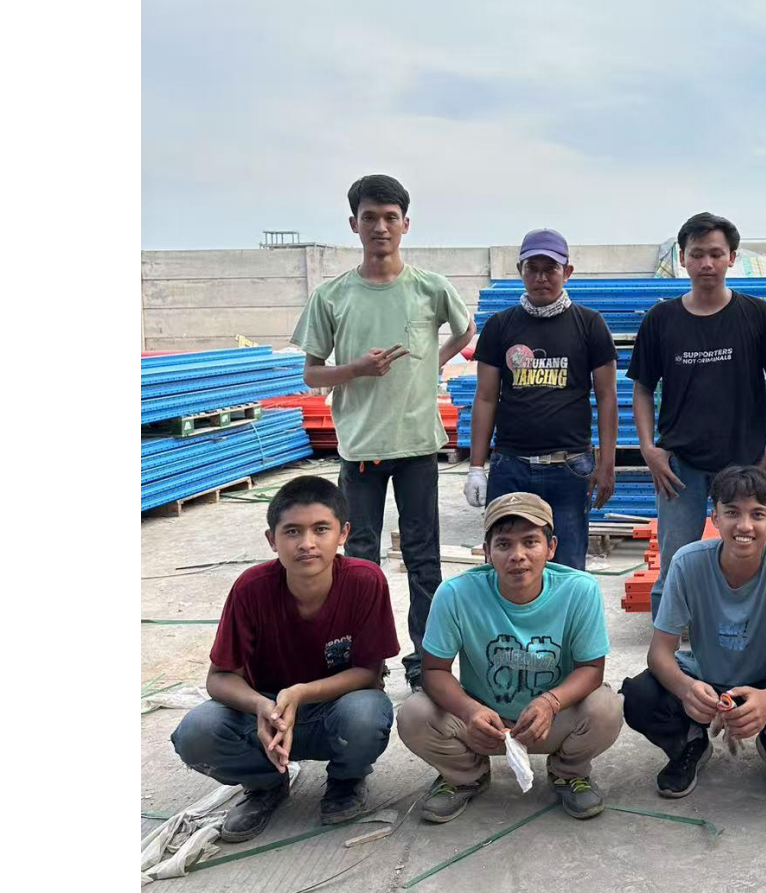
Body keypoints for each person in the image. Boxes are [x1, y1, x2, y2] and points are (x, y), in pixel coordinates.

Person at [292, 174, 472, 689]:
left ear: (406, 224)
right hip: (360, 449)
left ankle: (427, 665)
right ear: (354, 224)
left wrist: (432, 363)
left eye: (390, 217)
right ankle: (366, 662)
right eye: (369, 217)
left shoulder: (430, 288)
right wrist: (356, 370)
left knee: (423, 559)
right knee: (359, 561)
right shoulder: (332, 296)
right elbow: (312, 373)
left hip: (417, 445)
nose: (380, 227)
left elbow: (465, 330)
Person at [170, 475, 398, 841]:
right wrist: (262, 705)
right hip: (266, 718)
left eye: (321, 529)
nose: (307, 543)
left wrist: (300, 693)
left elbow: (369, 672)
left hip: (333, 710)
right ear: (271, 540)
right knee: (197, 732)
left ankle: (346, 779)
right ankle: (266, 784)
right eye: (292, 532)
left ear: (343, 533)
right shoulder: (251, 589)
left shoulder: (365, 581)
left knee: (367, 715)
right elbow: (219, 677)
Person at [397, 491, 623, 823]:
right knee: (414, 714)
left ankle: (568, 772)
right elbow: (433, 670)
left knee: (606, 708)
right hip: (483, 724)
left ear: (551, 547)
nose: (518, 555)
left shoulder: (579, 589)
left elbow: (592, 668)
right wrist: (470, 711)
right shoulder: (455, 594)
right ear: (487, 552)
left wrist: (550, 703)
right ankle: (466, 775)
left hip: (553, 720)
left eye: (530, 542)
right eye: (504, 544)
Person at [620, 465, 766, 798]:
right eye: (732, 512)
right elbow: (659, 652)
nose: (744, 526)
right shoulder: (687, 563)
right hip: (702, 677)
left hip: (765, 679)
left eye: (758, 514)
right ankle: (688, 743)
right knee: (639, 698)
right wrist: (686, 689)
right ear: (715, 518)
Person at [627, 211, 766, 614]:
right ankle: (669, 637)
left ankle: (747, 629)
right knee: (676, 562)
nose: (707, 263)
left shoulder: (759, 316)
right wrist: (648, 449)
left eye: (716, 253)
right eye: (697, 254)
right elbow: (642, 388)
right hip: (679, 466)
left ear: (732, 257)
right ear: (682, 258)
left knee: (747, 556)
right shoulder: (661, 319)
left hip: (744, 463)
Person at [464, 229, 617, 570]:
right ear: (520, 270)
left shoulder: (589, 325)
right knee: (506, 567)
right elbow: (486, 398)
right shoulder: (500, 326)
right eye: (532, 268)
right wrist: (475, 468)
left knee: (568, 567)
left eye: (551, 269)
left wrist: (607, 463)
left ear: (567, 272)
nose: (541, 277)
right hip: (511, 466)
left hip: (570, 468)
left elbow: (607, 397)